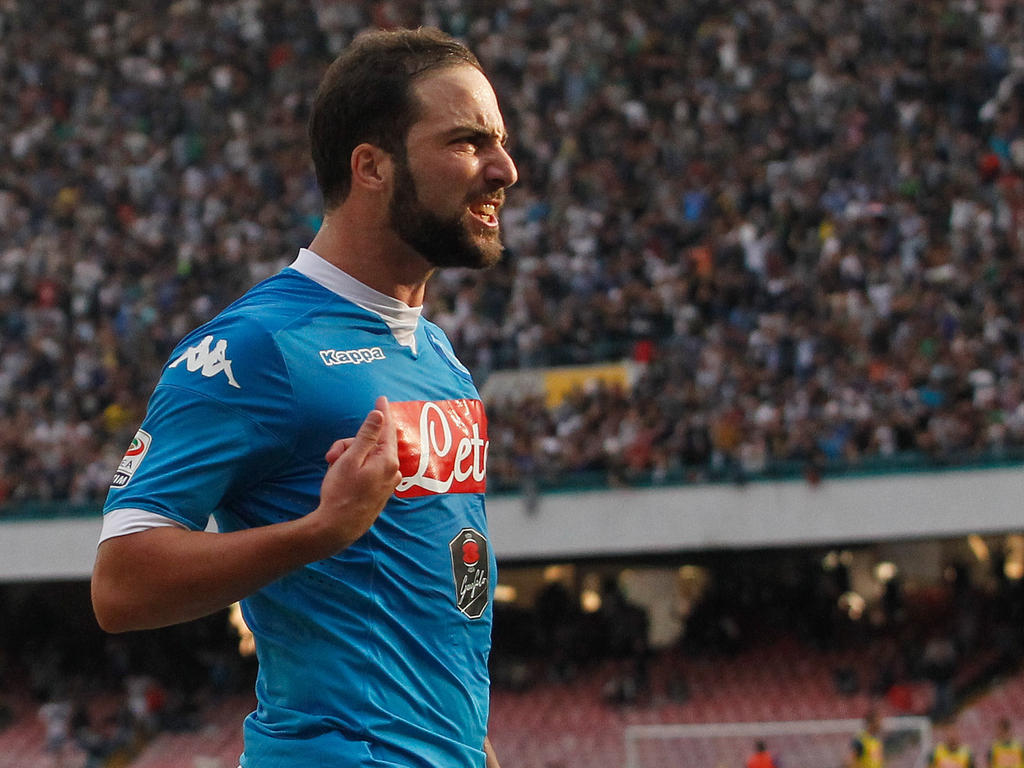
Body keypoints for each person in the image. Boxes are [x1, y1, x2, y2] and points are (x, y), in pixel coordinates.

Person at [90, 26, 518, 768]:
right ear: (371, 166)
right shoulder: (256, 346)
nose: (503, 168)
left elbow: (429, 593)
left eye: (500, 142)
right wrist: (320, 530)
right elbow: (122, 583)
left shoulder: (436, 353)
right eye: (468, 142)